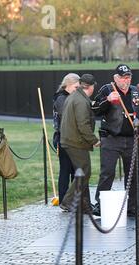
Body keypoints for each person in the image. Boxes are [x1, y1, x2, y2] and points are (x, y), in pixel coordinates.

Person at [92, 64, 139, 217]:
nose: (126, 80)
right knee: (107, 172)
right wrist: (107, 101)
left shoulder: (136, 91)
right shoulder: (107, 89)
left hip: (132, 140)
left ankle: (133, 207)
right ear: (115, 78)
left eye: (128, 77)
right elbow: (95, 110)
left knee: (133, 174)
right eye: (123, 77)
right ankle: (100, 205)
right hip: (111, 138)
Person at [59, 74, 99, 214]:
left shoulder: (75, 96)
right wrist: (94, 140)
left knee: (82, 172)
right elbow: (83, 125)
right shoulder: (81, 100)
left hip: (70, 140)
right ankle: (67, 202)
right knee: (84, 172)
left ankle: (83, 204)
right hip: (75, 142)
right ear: (91, 86)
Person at [52, 73, 80, 204]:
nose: (78, 90)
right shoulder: (61, 98)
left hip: (75, 139)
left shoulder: (73, 97)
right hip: (64, 138)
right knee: (65, 170)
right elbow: (68, 115)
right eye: (76, 87)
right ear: (68, 85)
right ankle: (64, 200)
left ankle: (75, 199)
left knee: (76, 171)